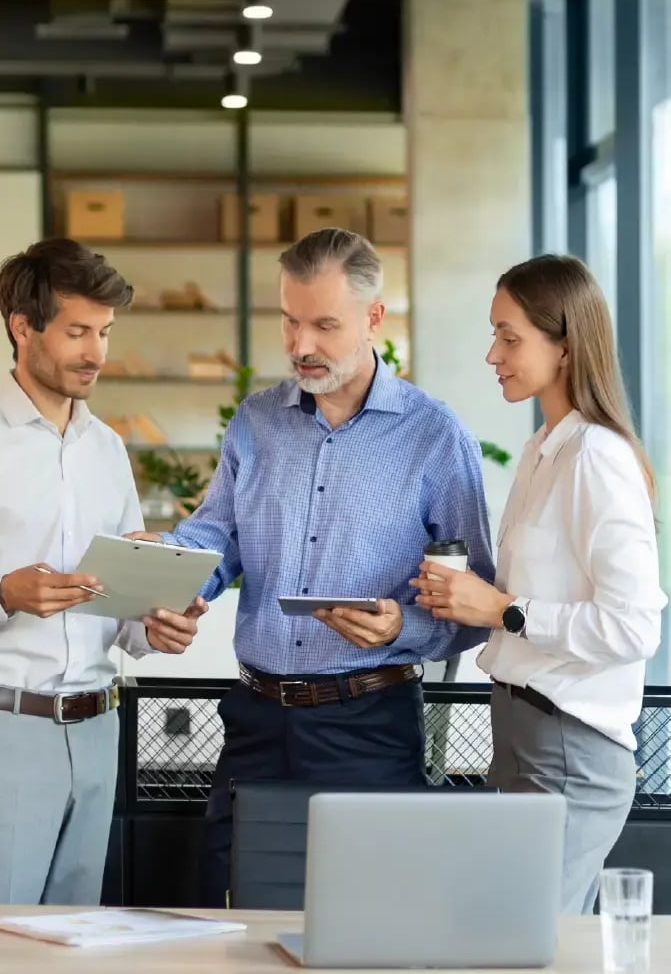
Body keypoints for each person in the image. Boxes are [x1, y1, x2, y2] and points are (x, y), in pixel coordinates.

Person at [129, 227, 495, 906]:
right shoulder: (256, 421)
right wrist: (170, 575)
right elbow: (219, 535)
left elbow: (475, 606)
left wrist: (399, 628)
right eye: (289, 321)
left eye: (324, 325)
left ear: (374, 319)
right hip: (254, 718)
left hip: (369, 724)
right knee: (222, 909)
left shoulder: (435, 437)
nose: (301, 345)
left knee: (370, 918)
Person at [0, 238, 202, 905]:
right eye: (77, 332)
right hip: (3, 727)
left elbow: (120, 613)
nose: (96, 352)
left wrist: (155, 625)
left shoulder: (107, 449)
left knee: (76, 945)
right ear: (23, 328)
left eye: (103, 333)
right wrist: (2, 595)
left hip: (100, 730)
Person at [413, 254, 667, 915]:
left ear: (564, 344)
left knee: (529, 947)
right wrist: (465, 597)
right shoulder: (542, 449)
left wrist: (505, 611)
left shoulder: (597, 459)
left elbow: (634, 628)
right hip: (525, 739)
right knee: (522, 943)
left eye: (509, 336)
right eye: (493, 334)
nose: (492, 354)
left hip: (569, 749)